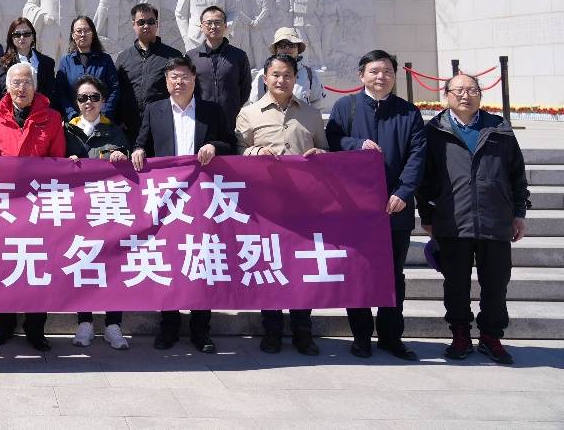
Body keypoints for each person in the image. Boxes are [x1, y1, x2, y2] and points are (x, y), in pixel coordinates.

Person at [418, 73, 530, 365]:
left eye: (471, 90)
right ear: (446, 95)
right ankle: (460, 334)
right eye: (458, 90)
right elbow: (425, 180)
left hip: (495, 221)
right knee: (456, 284)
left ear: (480, 94)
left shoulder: (499, 128)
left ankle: (491, 337)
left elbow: (517, 174)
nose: (465, 96)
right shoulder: (434, 131)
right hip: (452, 221)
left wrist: (518, 213)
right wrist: (427, 216)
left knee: (496, 284)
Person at [326, 49, 426, 361]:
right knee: (357, 271)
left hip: (395, 208)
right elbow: (332, 141)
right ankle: (361, 337)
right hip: (355, 209)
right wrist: (356, 144)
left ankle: (391, 337)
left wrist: (404, 192)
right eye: (374, 71)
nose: (381, 77)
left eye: (387, 72)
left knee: (393, 274)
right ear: (361, 75)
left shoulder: (409, 113)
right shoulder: (346, 107)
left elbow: (417, 156)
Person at [131, 56, 234, 354]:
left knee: (201, 260)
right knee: (171, 260)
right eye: (173, 77)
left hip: (203, 199)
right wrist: (138, 150)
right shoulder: (155, 110)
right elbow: (142, 142)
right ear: (166, 81)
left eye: (184, 76)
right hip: (168, 200)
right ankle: (169, 327)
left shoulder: (212, 111)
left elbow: (230, 144)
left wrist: (214, 146)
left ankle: (201, 331)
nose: (179, 82)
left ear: (194, 79)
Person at [234, 54, 329, 356]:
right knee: (269, 267)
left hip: (303, 205)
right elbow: (236, 152)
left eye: (287, 75)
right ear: (265, 78)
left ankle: (303, 331)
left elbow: (325, 151)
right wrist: (255, 151)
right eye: (275, 74)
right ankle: (272, 329)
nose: (281, 80)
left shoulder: (311, 114)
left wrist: (320, 155)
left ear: (295, 78)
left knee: (301, 267)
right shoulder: (249, 113)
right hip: (265, 206)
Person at [0, 62, 67, 351]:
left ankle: (35, 328)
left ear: (35, 86)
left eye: (27, 81)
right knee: (3, 265)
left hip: (37, 205)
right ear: (7, 86)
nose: (21, 87)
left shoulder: (52, 117)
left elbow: (58, 161)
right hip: (2, 204)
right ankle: (4, 323)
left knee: (37, 265)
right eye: (16, 82)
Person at [63, 74, 132, 350]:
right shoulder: (67, 130)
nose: (88, 102)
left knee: (113, 265)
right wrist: (64, 161)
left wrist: (122, 156)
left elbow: (131, 165)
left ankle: (114, 324)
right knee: (84, 262)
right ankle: (85, 322)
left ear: (103, 100)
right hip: (79, 211)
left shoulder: (114, 130)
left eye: (94, 97)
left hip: (109, 209)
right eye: (82, 98)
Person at [115, 2, 183, 140]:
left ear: (157, 24)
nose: (146, 26)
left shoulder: (173, 56)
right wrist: (117, 119)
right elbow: (116, 91)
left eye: (151, 22)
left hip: (162, 128)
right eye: (141, 22)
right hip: (130, 129)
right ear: (133, 24)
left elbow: (182, 91)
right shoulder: (123, 58)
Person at [187, 6, 251, 129]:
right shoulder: (191, 56)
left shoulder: (238, 56)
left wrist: (233, 106)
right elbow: (189, 88)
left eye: (217, 22)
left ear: (225, 26)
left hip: (231, 120)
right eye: (208, 23)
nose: (213, 26)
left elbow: (245, 87)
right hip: (201, 120)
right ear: (201, 26)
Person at [55, 16, 121, 123]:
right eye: (78, 31)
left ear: (93, 34)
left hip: (101, 121)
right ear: (73, 35)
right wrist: (72, 115)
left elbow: (114, 89)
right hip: (74, 122)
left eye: (86, 30)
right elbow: (60, 92)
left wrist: (104, 114)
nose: (83, 34)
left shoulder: (105, 60)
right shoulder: (66, 62)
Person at [247, 27, 323, 108]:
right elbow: (255, 105)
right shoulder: (263, 74)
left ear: (298, 49)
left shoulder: (310, 74)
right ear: (276, 50)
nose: (287, 48)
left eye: (291, 45)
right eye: (282, 45)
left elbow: (317, 105)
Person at [0, 16, 57, 105]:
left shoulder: (47, 62)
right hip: (15, 110)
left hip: (42, 109)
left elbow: (51, 92)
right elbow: (5, 92)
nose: (22, 37)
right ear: (12, 38)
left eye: (26, 34)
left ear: (33, 37)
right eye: (17, 34)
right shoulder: (5, 63)